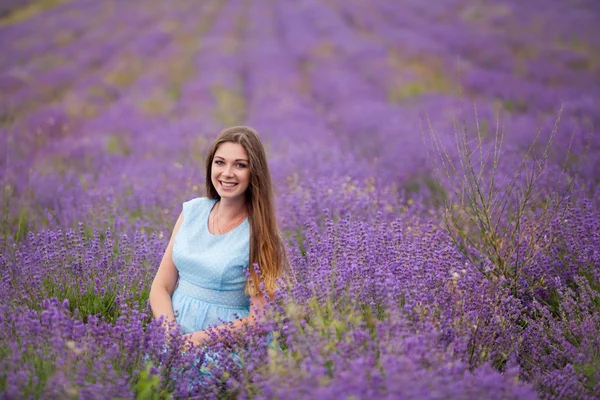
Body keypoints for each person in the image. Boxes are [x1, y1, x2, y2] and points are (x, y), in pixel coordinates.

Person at [149, 125, 288, 348]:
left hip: (225, 348)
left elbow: (258, 319)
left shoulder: (261, 233)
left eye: (240, 165)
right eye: (220, 162)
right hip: (172, 338)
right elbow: (160, 287)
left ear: (254, 173)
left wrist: (194, 341)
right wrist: (171, 337)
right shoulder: (192, 212)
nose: (227, 173)